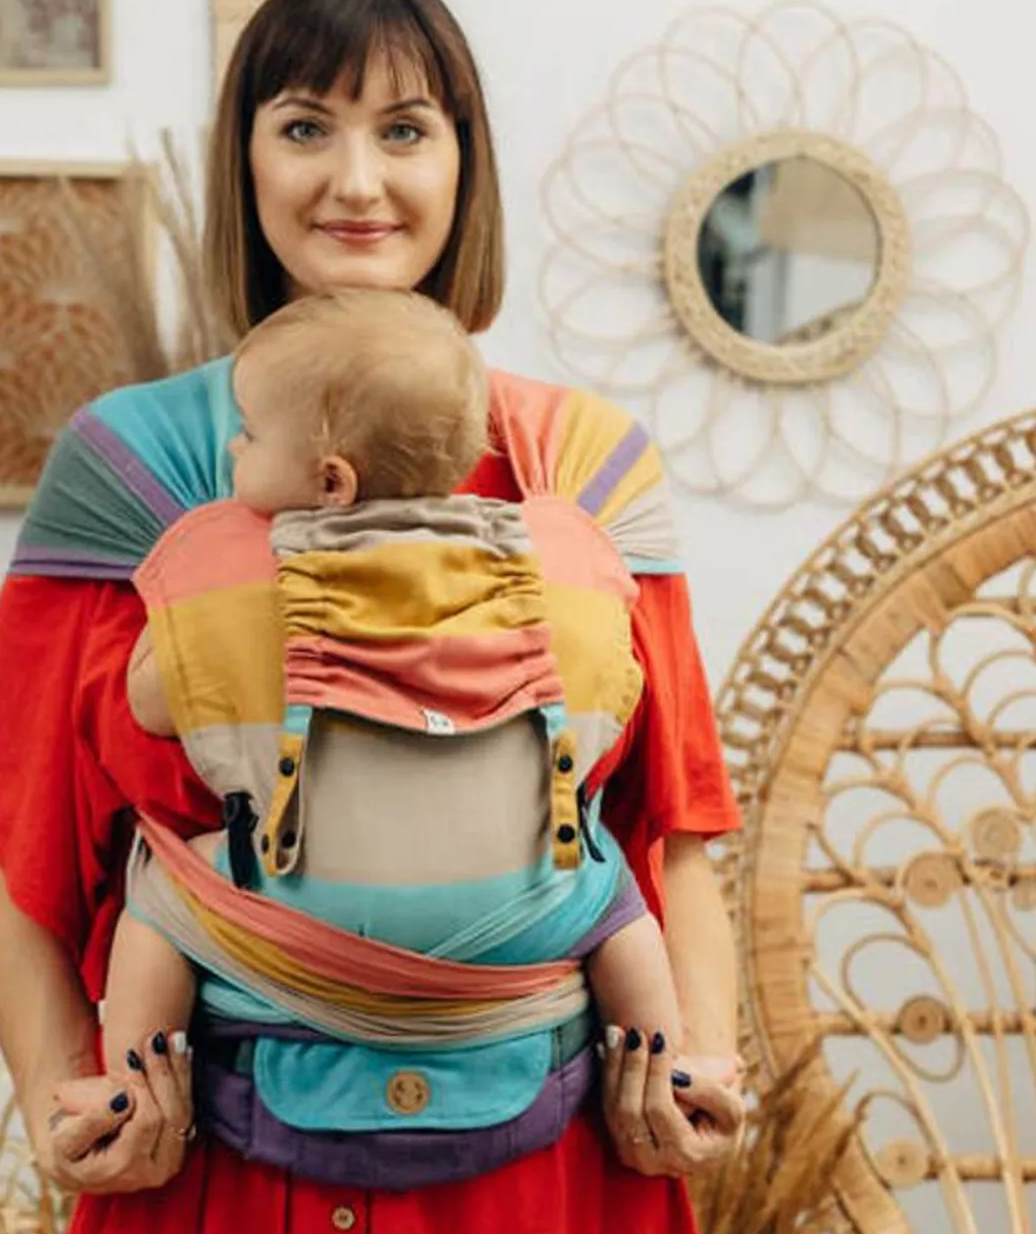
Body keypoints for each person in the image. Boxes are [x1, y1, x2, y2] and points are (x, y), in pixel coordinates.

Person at [0, 0, 746, 1228]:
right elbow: (27, 852)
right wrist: (61, 1099)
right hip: (207, 1167)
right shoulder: (129, 469)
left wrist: (696, 1058)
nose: (356, 181)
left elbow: (671, 833)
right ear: (245, 159)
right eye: (306, 126)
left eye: (404, 130)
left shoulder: (586, 471)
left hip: (541, 1169)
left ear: (464, 163)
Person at [103, 287, 685, 1120]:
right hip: (523, 914)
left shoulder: (235, 581)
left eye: (251, 432)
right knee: (615, 902)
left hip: (304, 914)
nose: (233, 445)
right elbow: (619, 687)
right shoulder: (554, 567)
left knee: (161, 899)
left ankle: (133, 1094)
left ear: (330, 480)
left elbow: (150, 706)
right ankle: (663, 1076)